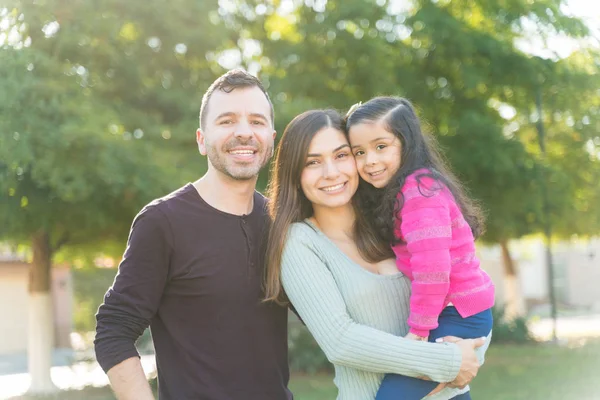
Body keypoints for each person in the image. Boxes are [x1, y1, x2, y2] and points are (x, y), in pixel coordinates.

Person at [94, 69, 292, 400]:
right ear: (201, 139)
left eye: (256, 122)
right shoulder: (162, 222)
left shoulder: (282, 223)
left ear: (272, 138)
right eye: (227, 121)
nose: (244, 133)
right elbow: (113, 331)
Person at [264, 109, 488, 400]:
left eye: (342, 155)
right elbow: (341, 341)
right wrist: (448, 361)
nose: (331, 172)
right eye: (313, 162)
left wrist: (469, 353)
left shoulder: (393, 219)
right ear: (295, 173)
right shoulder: (300, 242)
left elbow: (458, 288)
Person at [346, 97, 495, 400]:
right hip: (458, 313)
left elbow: (434, 270)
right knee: (445, 394)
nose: (369, 160)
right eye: (359, 152)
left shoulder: (418, 192)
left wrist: (418, 332)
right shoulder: (411, 189)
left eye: (381, 147)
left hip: (458, 315)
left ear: (407, 142)